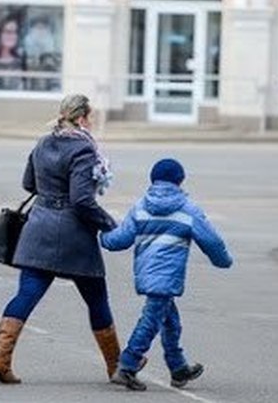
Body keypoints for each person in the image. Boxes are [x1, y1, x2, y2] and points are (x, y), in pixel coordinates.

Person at [0, 94, 125, 385]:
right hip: (73, 235)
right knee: (97, 297)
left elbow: (28, 184)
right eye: (91, 117)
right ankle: (116, 367)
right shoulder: (84, 149)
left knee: (27, 294)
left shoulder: (43, 142)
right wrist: (109, 223)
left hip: (38, 230)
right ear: (83, 117)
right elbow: (82, 200)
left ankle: (0, 359)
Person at [101, 158, 233, 391]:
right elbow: (211, 241)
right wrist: (223, 261)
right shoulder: (188, 209)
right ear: (180, 181)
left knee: (171, 321)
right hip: (167, 276)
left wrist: (103, 236)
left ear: (153, 180)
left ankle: (178, 368)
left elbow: (119, 240)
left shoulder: (141, 206)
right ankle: (127, 365)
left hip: (145, 274)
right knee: (151, 320)